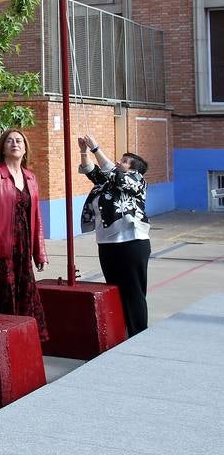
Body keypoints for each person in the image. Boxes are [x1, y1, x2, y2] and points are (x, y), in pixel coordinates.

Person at [0, 129, 49, 342]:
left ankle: (22, 341)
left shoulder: (31, 177)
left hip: (23, 249)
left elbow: (36, 218)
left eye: (19, 141)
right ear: (2, 148)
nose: (14, 144)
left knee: (25, 294)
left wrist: (40, 252)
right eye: (9, 141)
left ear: (25, 148)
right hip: (1, 250)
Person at [78, 134, 150, 336]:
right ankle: (121, 331)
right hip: (107, 243)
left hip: (132, 242)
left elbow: (114, 173)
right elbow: (91, 170)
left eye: (125, 161)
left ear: (134, 169)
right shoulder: (108, 181)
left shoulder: (137, 180)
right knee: (114, 290)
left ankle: (138, 334)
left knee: (133, 292)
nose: (120, 162)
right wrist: (84, 151)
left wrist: (96, 148)